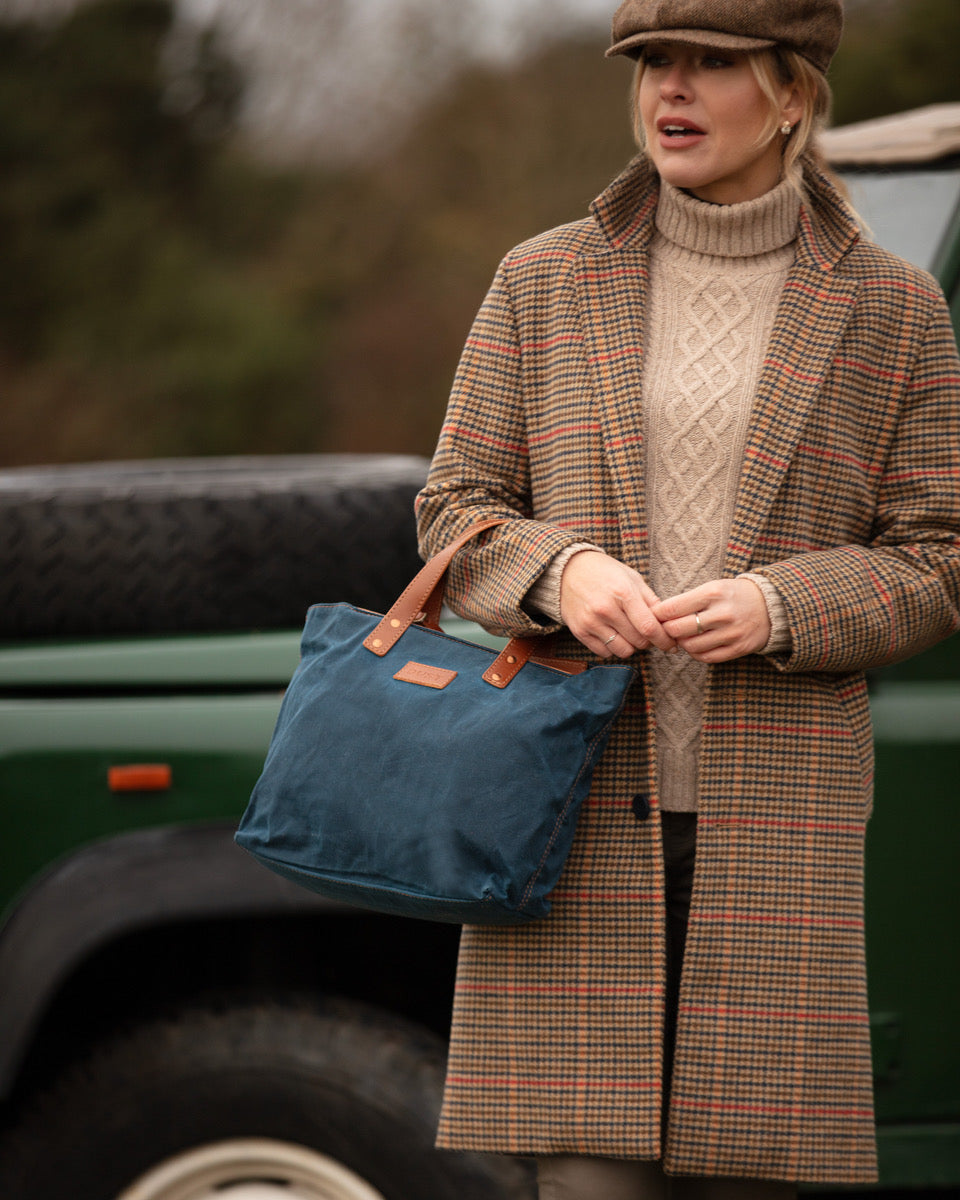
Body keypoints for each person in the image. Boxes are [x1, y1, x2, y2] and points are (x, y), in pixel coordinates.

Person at [415, 1, 960, 1196]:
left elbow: (939, 557)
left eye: (713, 64)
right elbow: (453, 511)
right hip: (566, 818)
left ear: (792, 93)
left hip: (779, 832)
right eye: (656, 61)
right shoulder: (543, 280)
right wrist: (562, 573)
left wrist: (785, 605)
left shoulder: (893, 309)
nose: (673, 88)